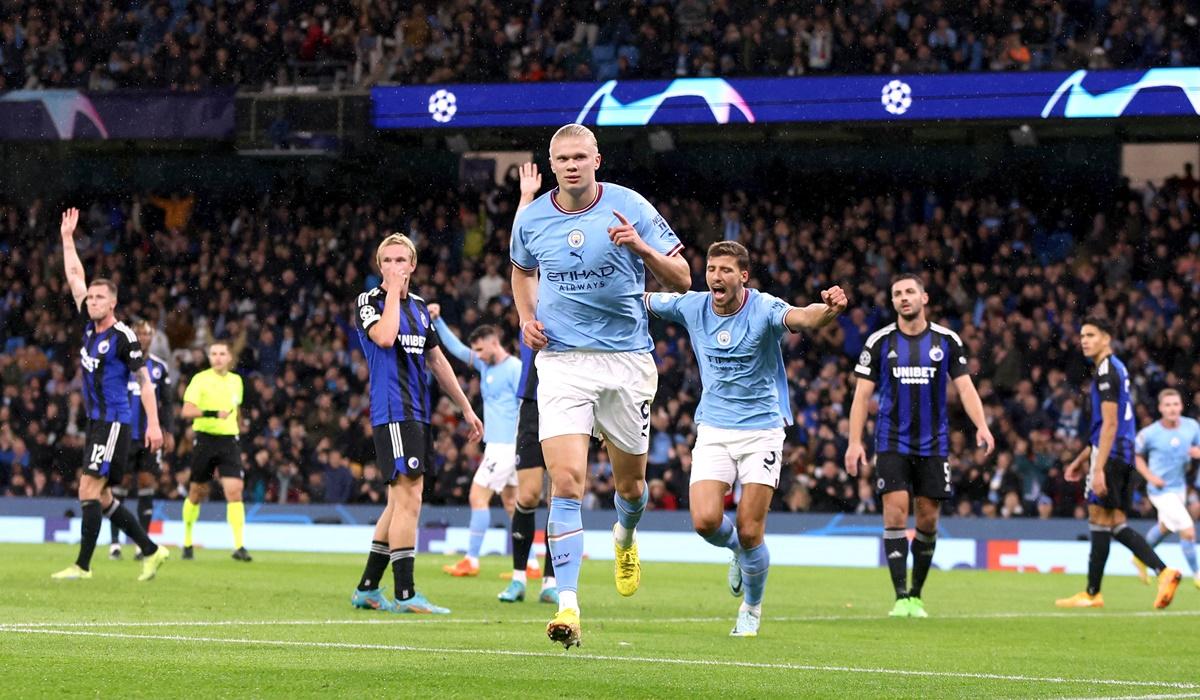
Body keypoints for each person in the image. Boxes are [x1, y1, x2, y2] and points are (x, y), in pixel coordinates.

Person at [510, 124, 690, 648]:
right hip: (562, 362)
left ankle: (625, 534)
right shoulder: (534, 217)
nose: (570, 165)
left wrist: (642, 248)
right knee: (565, 483)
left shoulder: (629, 206)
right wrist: (526, 317)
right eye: (561, 158)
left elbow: (680, 277)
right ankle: (568, 605)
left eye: (579, 157)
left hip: (627, 362)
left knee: (630, 487)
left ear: (597, 160)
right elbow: (521, 272)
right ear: (552, 163)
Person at [647, 241, 847, 636]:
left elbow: (805, 318)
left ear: (743, 276)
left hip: (762, 430)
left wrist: (831, 310)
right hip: (715, 429)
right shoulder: (692, 305)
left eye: (725, 270)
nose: (716, 276)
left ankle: (751, 608)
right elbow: (643, 298)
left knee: (751, 528)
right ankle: (736, 550)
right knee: (705, 521)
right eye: (711, 268)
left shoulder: (764, 308)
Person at [845, 273, 995, 618]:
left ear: (924, 298)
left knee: (927, 518)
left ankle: (916, 594)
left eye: (910, 291)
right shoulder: (880, 342)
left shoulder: (947, 340)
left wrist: (982, 426)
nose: (903, 297)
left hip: (934, 445)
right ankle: (901, 597)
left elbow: (966, 388)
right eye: (897, 293)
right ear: (893, 301)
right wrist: (855, 442)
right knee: (895, 512)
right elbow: (860, 397)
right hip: (891, 441)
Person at [349, 233, 483, 614]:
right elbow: (386, 338)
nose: (394, 267)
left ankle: (368, 589)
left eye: (400, 261)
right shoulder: (369, 302)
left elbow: (438, 361)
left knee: (398, 504)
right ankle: (405, 594)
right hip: (392, 412)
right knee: (409, 499)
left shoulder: (422, 308)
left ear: (413, 265)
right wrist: (391, 291)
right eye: (387, 261)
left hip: (418, 414)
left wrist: (466, 408)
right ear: (380, 267)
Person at [50, 207, 171, 582]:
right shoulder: (89, 328)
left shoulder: (124, 338)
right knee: (100, 497)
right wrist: (68, 239)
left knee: (88, 488)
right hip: (98, 422)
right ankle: (152, 550)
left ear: (113, 303)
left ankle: (83, 566)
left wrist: (153, 426)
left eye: (99, 298)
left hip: (115, 422)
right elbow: (74, 276)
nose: (92, 302)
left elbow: (146, 382)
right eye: (91, 298)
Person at [1056, 318, 1182, 609]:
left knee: (1099, 519)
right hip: (1121, 453)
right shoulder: (1116, 369)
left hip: (1111, 455)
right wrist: (1081, 459)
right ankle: (1161, 572)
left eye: (1091, 335)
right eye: (1082, 335)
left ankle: (1094, 592)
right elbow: (1108, 425)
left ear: (1107, 338)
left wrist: (1097, 467)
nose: (1084, 340)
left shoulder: (1106, 372)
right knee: (1113, 523)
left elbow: (1110, 424)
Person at [500, 162, 557, 605]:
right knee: (531, 493)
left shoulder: (578, 297)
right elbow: (523, 252)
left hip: (571, 396)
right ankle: (519, 574)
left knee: (565, 491)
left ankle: (553, 580)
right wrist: (525, 198)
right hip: (534, 399)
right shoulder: (534, 302)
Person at [428, 314, 521, 577]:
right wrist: (438, 321)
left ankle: (471, 559)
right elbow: (457, 350)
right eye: (476, 351)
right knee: (513, 504)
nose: (477, 355)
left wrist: (521, 443)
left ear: (494, 343)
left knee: (477, 496)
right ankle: (531, 565)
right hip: (499, 445)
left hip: (506, 446)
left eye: (480, 349)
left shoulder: (514, 368)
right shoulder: (486, 366)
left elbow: (527, 405)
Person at [179, 340, 251, 562]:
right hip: (205, 440)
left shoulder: (236, 381)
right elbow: (186, 410)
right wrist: (212, 414)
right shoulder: (200, 380)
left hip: (229, 440)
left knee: (235, 490)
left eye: (222, 353)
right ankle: (187, 541)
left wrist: (239, 425)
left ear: (230, 357)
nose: (217, 357)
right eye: (213, 354)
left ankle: (239, 546)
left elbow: (234, 408)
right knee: (197, 493)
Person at [109, 319, 174, 561]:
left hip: (149, 436)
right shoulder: (118, 364)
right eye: (139, 333)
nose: (143, 338)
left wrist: (168, 431)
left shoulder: (159, 367)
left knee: (147, 483)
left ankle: (141, 543)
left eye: (147, 334)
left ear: (153, 337)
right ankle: (115, 543)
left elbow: (167, 403)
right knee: (120, 486)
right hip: (123, 434)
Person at [1132, 388, 1200, 588]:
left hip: (1179, 488)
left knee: (1166, 527)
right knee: (1187, 530)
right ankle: (1197, 574)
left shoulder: (1191, 426)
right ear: (1161, 408)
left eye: (1176, 404)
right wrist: (1150, 476)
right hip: (1159, 491)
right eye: (1168, 405)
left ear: (1181, 406)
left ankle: (1139, 557)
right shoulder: (1150, 433)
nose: (1172, 409)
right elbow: (1135, 456)